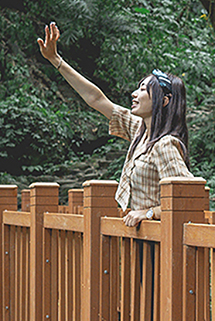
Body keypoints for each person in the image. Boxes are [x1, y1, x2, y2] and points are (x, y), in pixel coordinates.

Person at [37, 21, 193, 226]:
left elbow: (188, 197)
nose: (134, 94)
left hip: (160, 242)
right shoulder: (140, 129)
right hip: (141, 239)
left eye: (144, 90)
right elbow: (96, 99)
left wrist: (148, 213)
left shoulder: (165, 144)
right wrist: (56, 60)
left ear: (164, 101)